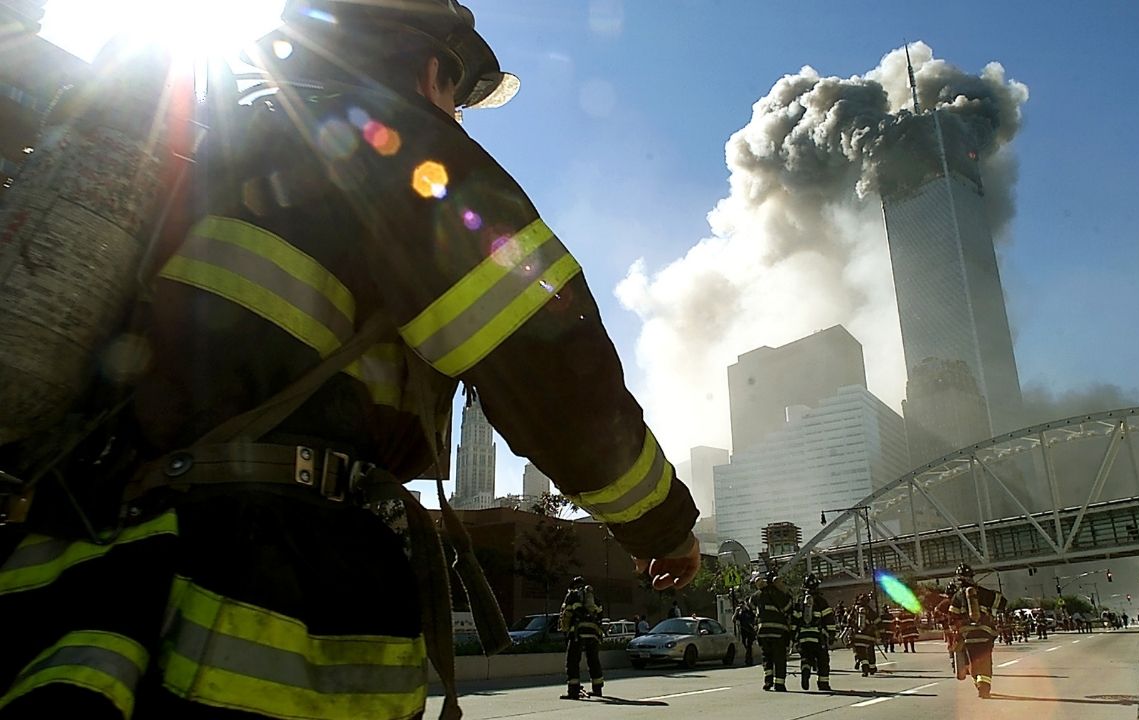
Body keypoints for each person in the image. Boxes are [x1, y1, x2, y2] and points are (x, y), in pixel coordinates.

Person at [0, 2, 704, 718]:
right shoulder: (399, 147)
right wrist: (662, 525)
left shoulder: (218, 153)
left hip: (77, 585)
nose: (459, 118)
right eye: (459, 98)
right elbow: (550, 363)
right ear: (432, 67)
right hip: (260, 591)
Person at [947, 563, 1007, 699]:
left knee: (973, 661)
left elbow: (952, 618)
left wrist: (956, 634)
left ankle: (979, 684)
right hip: (986, 634)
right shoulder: (983, 592)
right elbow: (1002, 602)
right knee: (986, 660)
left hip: (968, 636)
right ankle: (984, 687)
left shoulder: (957, 597)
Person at [560, 577, 604, 699]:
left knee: (572, 661)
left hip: (577, 633)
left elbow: (566, 614)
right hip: (593, 633)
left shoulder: (572, 595)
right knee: (593, 660)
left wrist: (565, 630)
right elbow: (600, 615)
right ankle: (597, 689)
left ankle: (573, 691)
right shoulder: (594, 598)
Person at [791, 574, 834, 691]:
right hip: (818, 637)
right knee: (822, 660)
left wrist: (793, 636)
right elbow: (829, 619)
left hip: (803, 637)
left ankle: (805, 670)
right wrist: (831, 635)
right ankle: (823, 683)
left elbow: (794, 619)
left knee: (805, 657)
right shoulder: (821, 601)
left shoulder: (799, 601)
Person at [750, 570, 792, 691]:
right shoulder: (780, 595)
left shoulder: (758, 594)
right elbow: (788, 608)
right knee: (779, 658)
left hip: (763, 631)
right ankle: (780, 683)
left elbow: (750, 605)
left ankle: (768, 681)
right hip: (778, 632)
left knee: (766, 657)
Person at [850, 593, 879, 677]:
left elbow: (848, 619)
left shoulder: (854, 609)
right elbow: (878, 621)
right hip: (869, 636)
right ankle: (872, 668)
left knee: (861, 653)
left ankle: (865, 669)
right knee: (870, 652)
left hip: (858, 636)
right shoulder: (870, 611)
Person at [733, 600, 758, 665]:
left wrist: (754, 626)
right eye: (740, 605)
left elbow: (754, 618)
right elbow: (734, 619)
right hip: (743, 631)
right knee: (745, 644)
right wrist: (736, 612)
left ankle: (749, 659)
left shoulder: (749, 611)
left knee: (749, 645)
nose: (741, 606)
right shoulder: (740, 613)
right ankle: (749, 658)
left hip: (750, 630)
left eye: (742, 605)